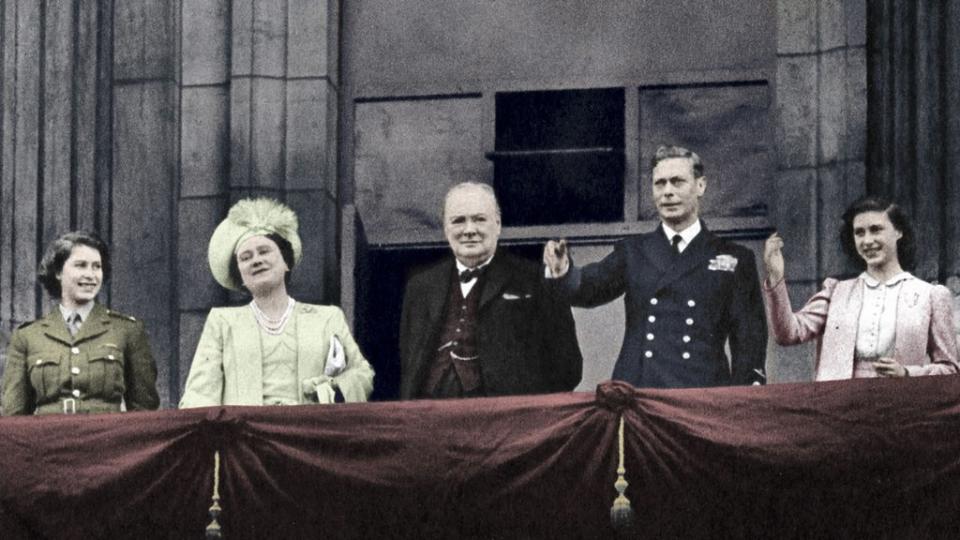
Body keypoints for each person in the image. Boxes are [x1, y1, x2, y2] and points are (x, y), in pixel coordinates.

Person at [543, 145, 767, 388]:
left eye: (677, 182)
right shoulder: (634, 252)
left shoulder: (734, 257)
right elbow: (589, 287)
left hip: (702, 394)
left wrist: (746, 391)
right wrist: (562, 270)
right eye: (659, 184)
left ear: (700, 186)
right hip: (640, 394)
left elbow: (749, 339)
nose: (667, 192)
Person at [179, 198, 374, 407]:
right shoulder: (222, 322)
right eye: (245, 257)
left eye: (264, 251)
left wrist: (330, 388)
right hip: (244, 436)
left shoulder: (327, 318)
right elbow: (199, 396)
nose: (256, 260)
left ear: (285, 261)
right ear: (240, 276)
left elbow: (362, 374)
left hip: (308, 435)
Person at [398, 182, 582, 399]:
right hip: (431, 418)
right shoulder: (420, 287)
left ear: (498, 224)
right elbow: (409, 365)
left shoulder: (534, 280)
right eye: (458, 221)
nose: (469, 230)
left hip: (504, 422)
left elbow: (567, 370)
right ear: (446, 229)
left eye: (479, 219)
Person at [762, 196, 959, 379]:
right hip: (839, 406)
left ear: (898, 232)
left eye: (876, 230)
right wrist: (776, 277)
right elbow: (788, 334)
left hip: (901, 407)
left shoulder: (931, 295)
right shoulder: (836, 291)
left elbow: (950, 368)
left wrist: (908, 372)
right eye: (859, 233)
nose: (867, 241)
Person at [1, 231, 159, 415]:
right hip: (49, 442)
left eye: (97, 267)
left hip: (108, 440)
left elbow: (144, 411)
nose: (91, 275)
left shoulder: (127, 330)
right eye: (81, 265)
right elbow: (14, 415)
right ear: (58, 271)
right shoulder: (27, 336)